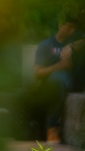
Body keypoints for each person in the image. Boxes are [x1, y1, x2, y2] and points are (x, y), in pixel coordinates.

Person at [33, 15, 83, 144]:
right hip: (53, 82)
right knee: (58, 80)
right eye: (69, 27)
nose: (71, 31)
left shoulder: (75, 40)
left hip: (74, 79)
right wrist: (59, 66)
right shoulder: (46, 45)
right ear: (60, 25)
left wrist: (71, 46)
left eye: (74, 28)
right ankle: (52, 127)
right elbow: (38, 72)